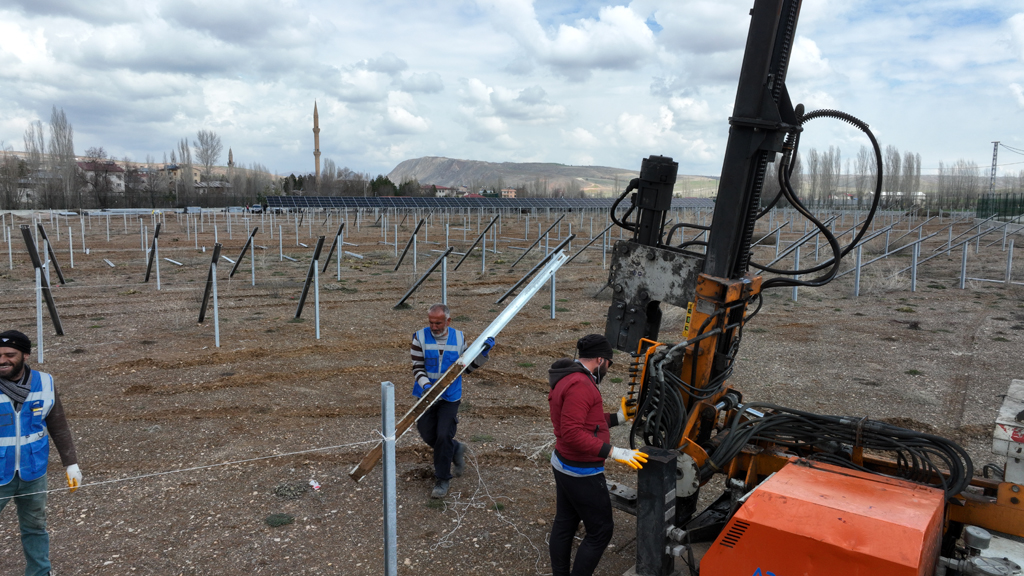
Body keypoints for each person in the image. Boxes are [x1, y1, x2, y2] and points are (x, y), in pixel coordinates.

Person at [547, 334, 647, 576]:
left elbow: (583, 421)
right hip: (581, 470)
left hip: (562, 463)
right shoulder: (581, 385)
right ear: (601, 360)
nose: (608, 370)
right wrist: (615, 452)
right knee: (601, 531)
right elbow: (572, 432)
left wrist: (618, 419)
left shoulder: (569, 376)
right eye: (609, 364)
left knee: (566, 522)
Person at [0, 330, 81, 576]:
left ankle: (40, 572)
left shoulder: (45, 383)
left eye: (9, 355)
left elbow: (58, 425)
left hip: (33, 472)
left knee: (35, 527)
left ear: (25, 355)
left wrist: (71, 464)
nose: (2, 360)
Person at [411, 304, 494, 498]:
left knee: (442, 435)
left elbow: (467, 368)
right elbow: (417, 366)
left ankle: (442, 479)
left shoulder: (459, 338)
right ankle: (456, 448)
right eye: (431, 322)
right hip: (425, 394)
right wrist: (425, 386)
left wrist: (483, 354)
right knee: (427, 433)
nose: (434, 327)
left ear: (448, 321)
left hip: (450, 396)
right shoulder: (419, 337)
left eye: (438, 323)